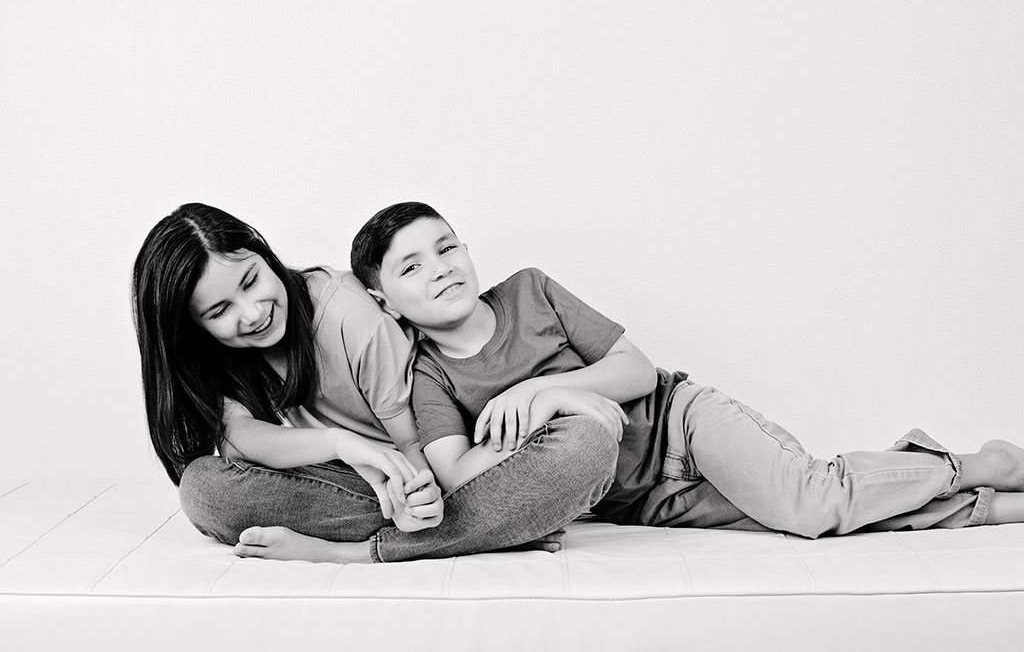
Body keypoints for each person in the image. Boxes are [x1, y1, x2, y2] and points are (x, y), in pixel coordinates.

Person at [349, 201, 1024, 537]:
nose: (440, 269)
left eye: (445, 247)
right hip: (644, 496)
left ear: (466, 248)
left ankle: (970, 463)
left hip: (682, 424)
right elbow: (457, 472)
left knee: (812, 499)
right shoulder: (428, 376)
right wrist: (556, 424)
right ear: (381, 298)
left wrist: (546, 389)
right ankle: (997, 507)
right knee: (807, 521)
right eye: (411, 266)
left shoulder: (529, 291)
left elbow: (636, 371)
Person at [131, 203, 617, 563]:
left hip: (436, 469)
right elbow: (243, 440)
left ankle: (366, 551)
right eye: (220, 311)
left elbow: (413, 439)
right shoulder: (217, 359)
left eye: (252, 282)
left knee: (585, 445)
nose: (253, 313)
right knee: (203, 487)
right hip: (359, 482)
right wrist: (341, 443)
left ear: (263, 254)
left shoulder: (342, 308)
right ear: (193, 330)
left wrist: (414, 496)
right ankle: (493, 529)